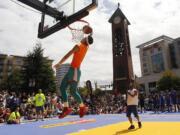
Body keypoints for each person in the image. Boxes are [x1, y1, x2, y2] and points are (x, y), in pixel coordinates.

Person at [54, 35, 93, 118]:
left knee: (67, 89)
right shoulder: (86, 47)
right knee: (68, 90)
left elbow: (67, 55)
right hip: (75, 71)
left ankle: (71, 107)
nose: (82, 37)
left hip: (73, 71)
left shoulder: (78, 46)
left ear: (85, 39)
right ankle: (76, 107)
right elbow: (89, 39)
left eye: (84, 37)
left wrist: (59, 63)